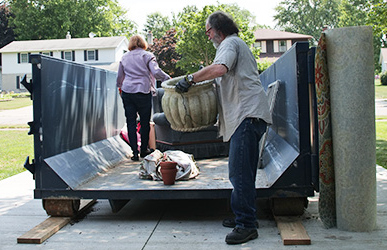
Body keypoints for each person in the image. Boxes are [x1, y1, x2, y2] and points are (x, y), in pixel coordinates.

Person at [175, 11, 272, 244]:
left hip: (246, 116)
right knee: (242, 172)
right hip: (248, 117)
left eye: (209, 30)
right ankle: (245, 215)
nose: (207, 35)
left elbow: (219, 69)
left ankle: (246, 224)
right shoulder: (235, 44)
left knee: (239, 172)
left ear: (219, 28)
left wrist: (190, 79)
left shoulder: (230, 43)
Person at [117, 35, 171, 161]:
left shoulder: (124, 57)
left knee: (130, 122)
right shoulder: (147, 56)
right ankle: (143, 151)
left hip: (127, 91)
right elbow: (156, 72)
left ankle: (134, 152)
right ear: (143, 43)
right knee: (145, 122)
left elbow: (120, 76)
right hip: (143, 91)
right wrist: (167, 79)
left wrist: (120, 87)